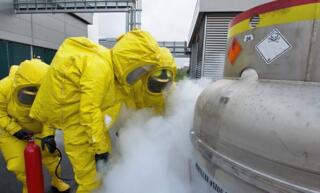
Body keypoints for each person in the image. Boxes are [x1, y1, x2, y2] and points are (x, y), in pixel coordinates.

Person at [30, 29, 163, 193]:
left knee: (100, 178)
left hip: (89, 130)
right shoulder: (100, 67)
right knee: (89, 183)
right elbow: (89, 110)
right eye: (140, 68)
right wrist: (101, 150)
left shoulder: (112, 70)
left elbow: (116, 104)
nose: (139, 74)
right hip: (79, 131)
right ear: (129, 59)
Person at [0, 59, 70, 193]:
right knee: (19, 163)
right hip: (11, 133)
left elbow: (50, 114)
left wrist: (49, 134)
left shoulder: (50, 90)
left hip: (39, 129)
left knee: (52, 154)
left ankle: (57, 180)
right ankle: (29, 186)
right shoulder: (3, 87)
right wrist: (15, 130)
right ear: (17, 86)